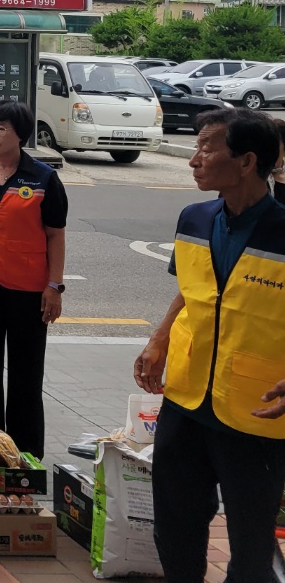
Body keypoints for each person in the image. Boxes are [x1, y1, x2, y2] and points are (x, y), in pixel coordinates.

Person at [134, 108, 285, 583]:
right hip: (185, 398)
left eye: (206, 148)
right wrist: (159, 337)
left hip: (254, 412)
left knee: (252, 547)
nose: (194, 159)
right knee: (174, 529)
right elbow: (193, 290)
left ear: (246, 161)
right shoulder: (194, 218)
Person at [0, 99, 68, 460]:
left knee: (26, 374)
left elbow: (55, 235)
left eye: (1, 128)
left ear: (20, 134)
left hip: (29, 291)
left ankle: (26, 455)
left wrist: (54, 286)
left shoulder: (43, 178)